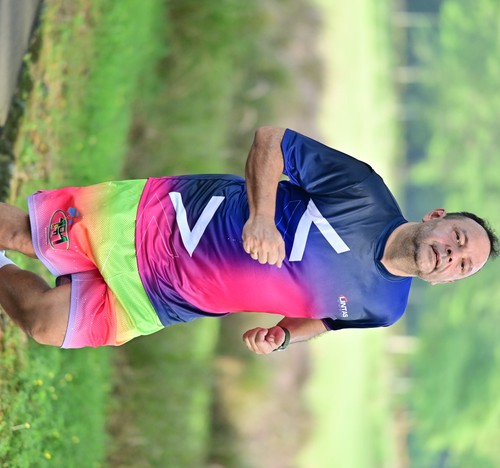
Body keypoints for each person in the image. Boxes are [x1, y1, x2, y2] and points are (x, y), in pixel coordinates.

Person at [0, 126, 497, 353]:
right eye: (458, 237)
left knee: (45, 323)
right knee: (22, 233)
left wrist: (284, 337)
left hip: (169, 301)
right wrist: (261, 217)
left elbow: (326, 318)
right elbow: (271, 140)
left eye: (463, 264)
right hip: (162, 222)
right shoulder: (363, 190)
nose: (452, 254)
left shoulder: (386, 309)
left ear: (449, 281)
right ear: (436, 216)